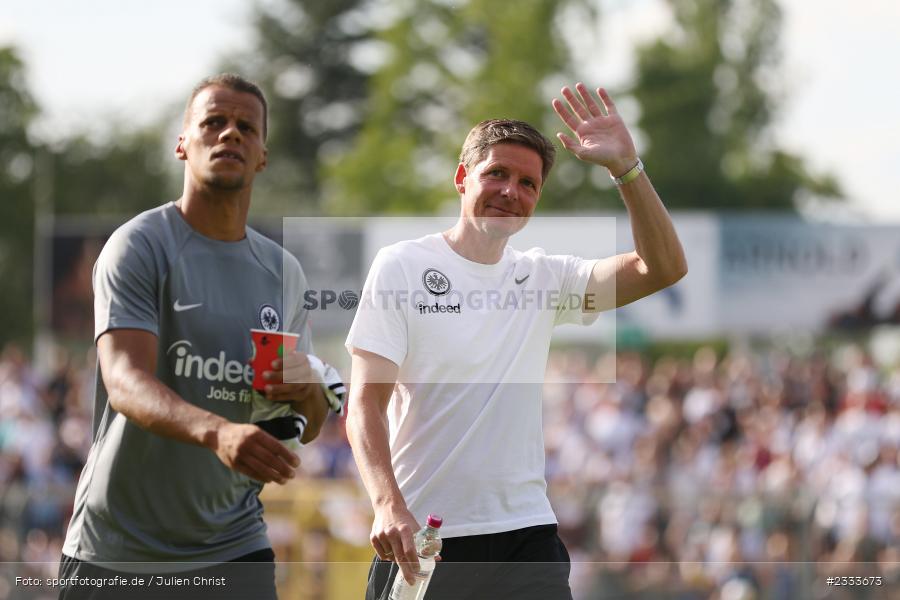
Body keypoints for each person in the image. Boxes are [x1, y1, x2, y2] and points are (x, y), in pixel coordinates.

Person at [345, 83, 688, 599]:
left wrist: (627, 167)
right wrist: (387, 503)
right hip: (428, 538)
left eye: (528, 183)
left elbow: (660, 268)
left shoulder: (545, 277)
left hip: (527, 536)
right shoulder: (403, 265)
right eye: (497, 174)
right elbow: (364, 405)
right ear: (463, 178)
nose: (511, 191)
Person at [57, 74, 342, 600]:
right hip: (121, 549)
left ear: (262, 155)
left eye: (245, 128)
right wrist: (218, 432)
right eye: (213, 122)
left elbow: (299, 423)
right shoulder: (139, 246)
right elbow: (124, 381)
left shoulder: (283, 273)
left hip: (235, 544)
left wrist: (306, 390)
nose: (229, 134)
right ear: (183, 143)